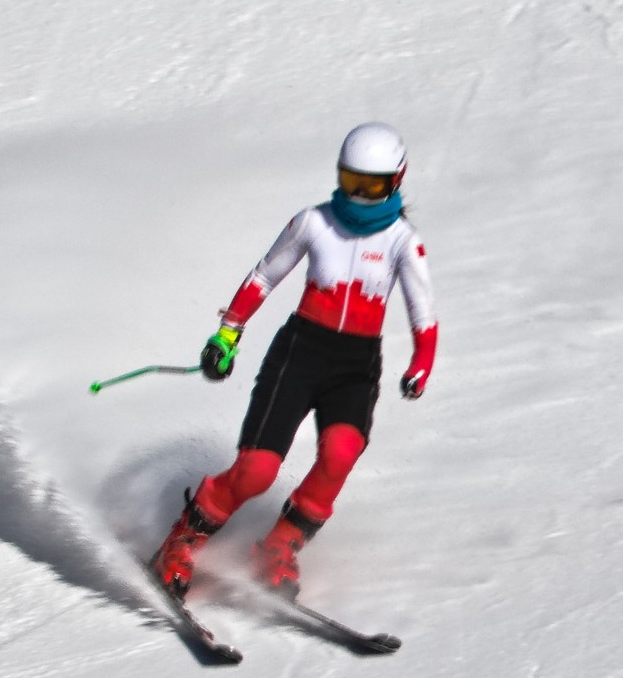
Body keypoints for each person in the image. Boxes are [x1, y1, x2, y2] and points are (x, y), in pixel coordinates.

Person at [149, 122, 438, 600]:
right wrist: (226, 335)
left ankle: (280, 544)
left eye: (371, 187)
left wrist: (420, 364)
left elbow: (422, 313)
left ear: (396, 181)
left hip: (355, 365)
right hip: (300, 353)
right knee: (257, 470)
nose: (358, 196)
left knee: (341, 453)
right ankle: (183, 538)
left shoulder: (402, 241)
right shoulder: (314, 222)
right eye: (350, 182)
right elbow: (264, 277)